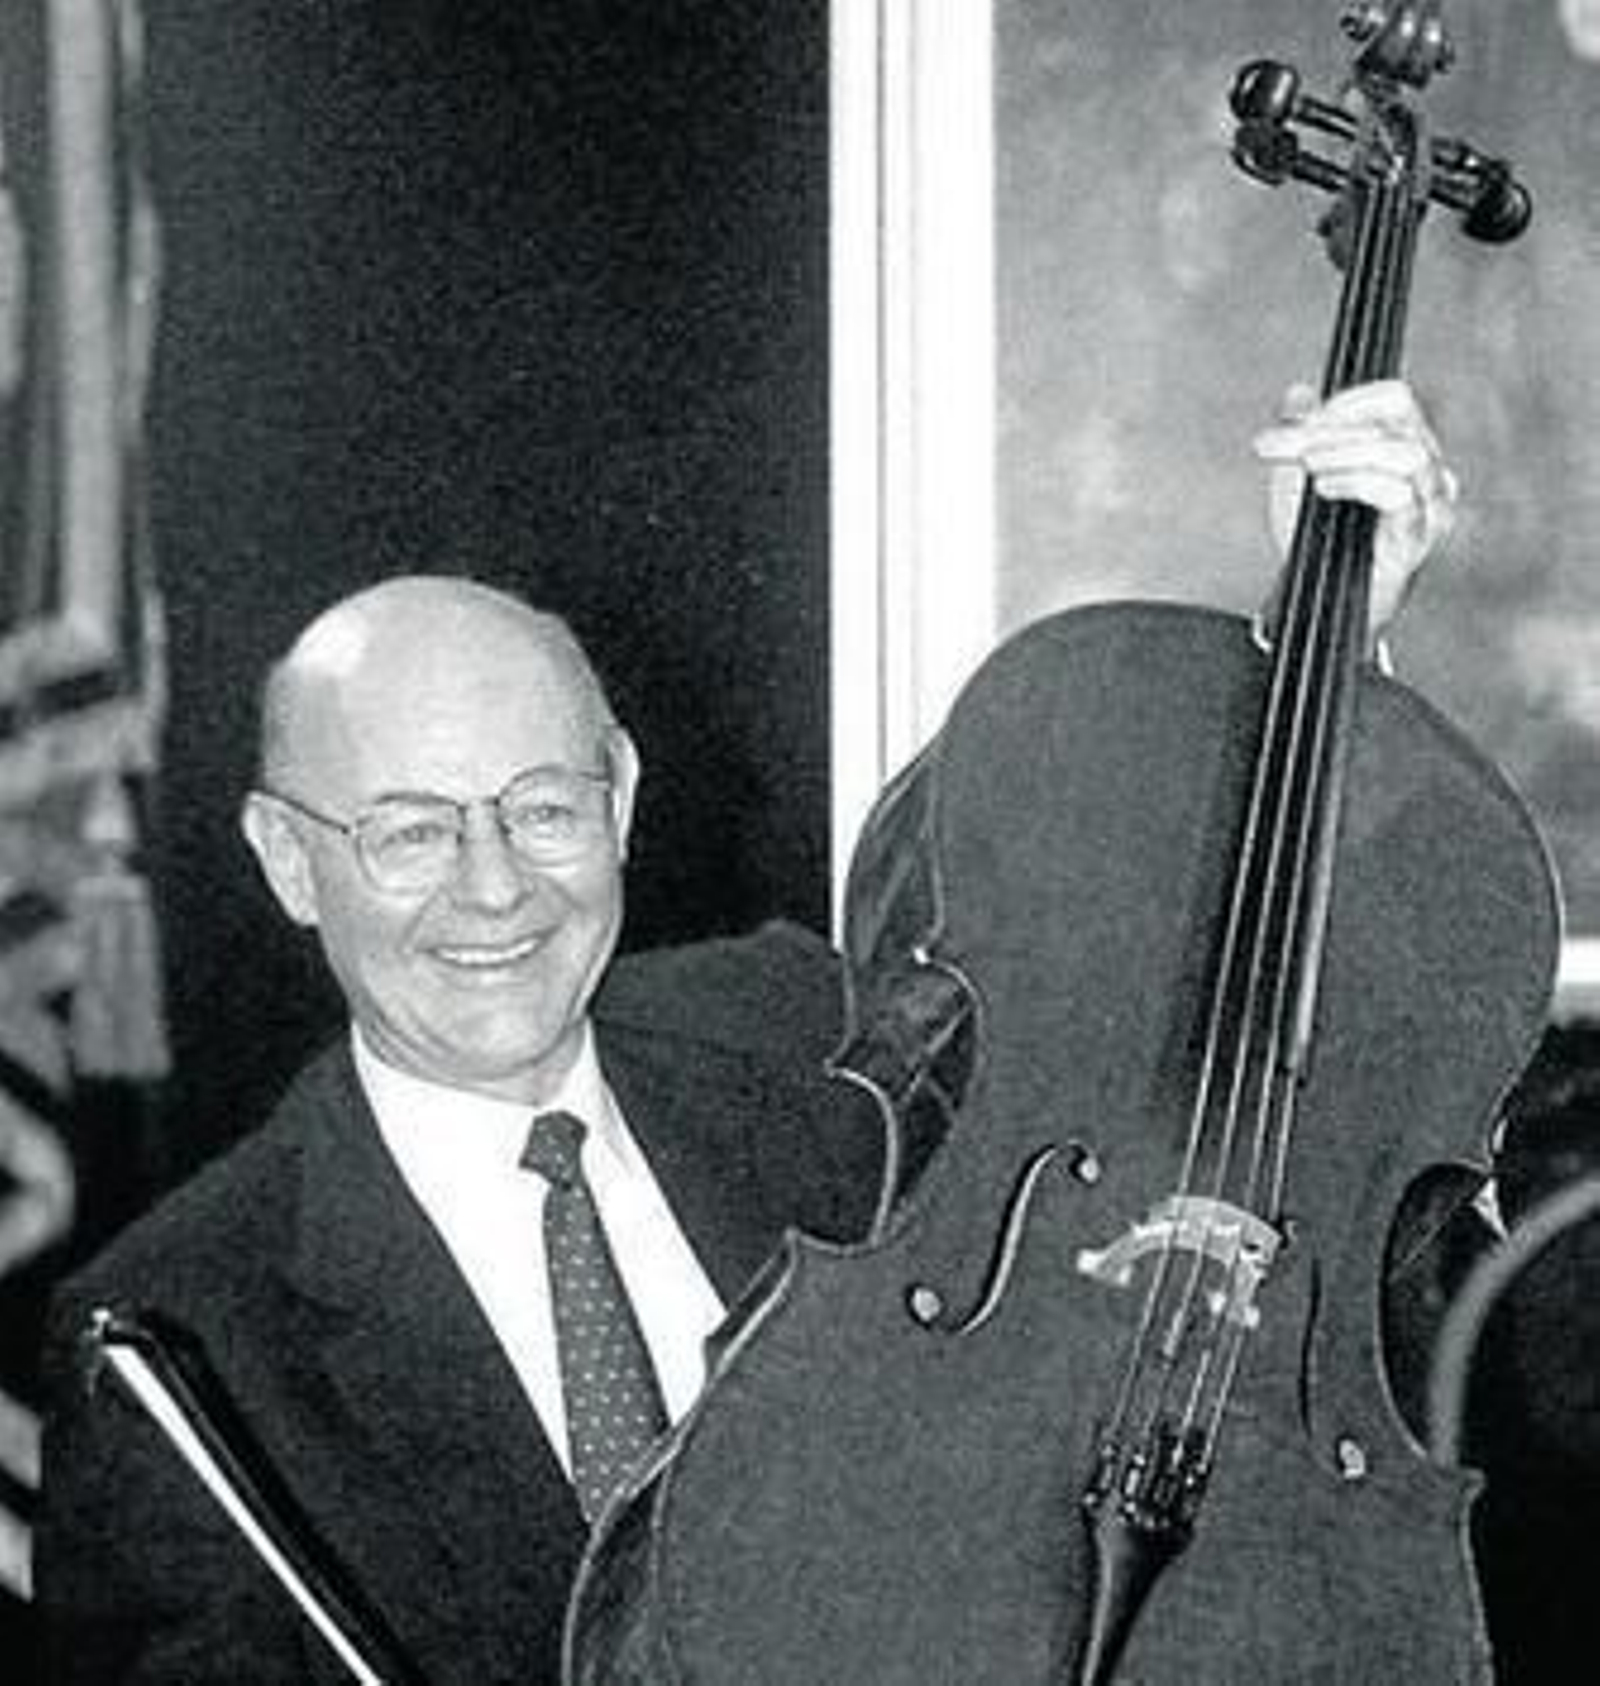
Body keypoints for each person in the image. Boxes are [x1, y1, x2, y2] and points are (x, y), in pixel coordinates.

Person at [34, 379, 1460, 1682]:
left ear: (624, 799)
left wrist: (1321, 647)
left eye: (542, 807)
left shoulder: (803, 1044)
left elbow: (1172, 1017)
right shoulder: (183, 1337)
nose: (493, 888)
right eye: (408, 830)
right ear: (291, 861)